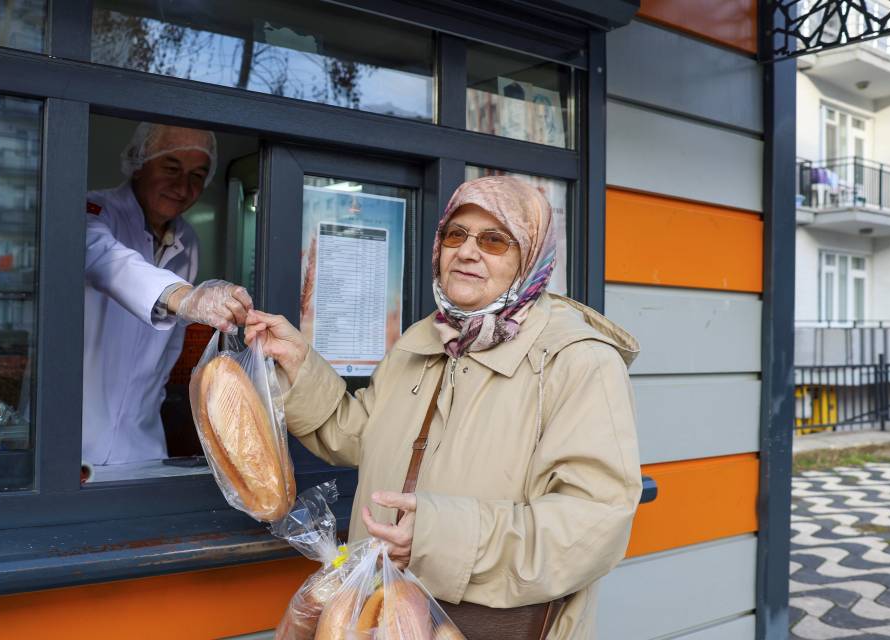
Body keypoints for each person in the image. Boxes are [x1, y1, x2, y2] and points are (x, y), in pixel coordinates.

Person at [246, 176, 641, 639]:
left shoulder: (577, 360)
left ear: (530, 257)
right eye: (457, 234)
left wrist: (435, 538)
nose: (468, 252)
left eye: (495, 240)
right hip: (381, 619)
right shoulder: (424, 341)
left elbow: (593, 524)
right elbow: (359, 435)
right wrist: (300, 364)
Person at [83, 122, 252, 466]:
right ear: (139, 163)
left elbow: (169, 351)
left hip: (142, 444)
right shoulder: (94, 211)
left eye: (197, 175)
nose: (183, 186)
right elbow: (104, 259)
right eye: (171, 168)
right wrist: (187, 298)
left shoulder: (187, 241)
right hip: (71, 439)